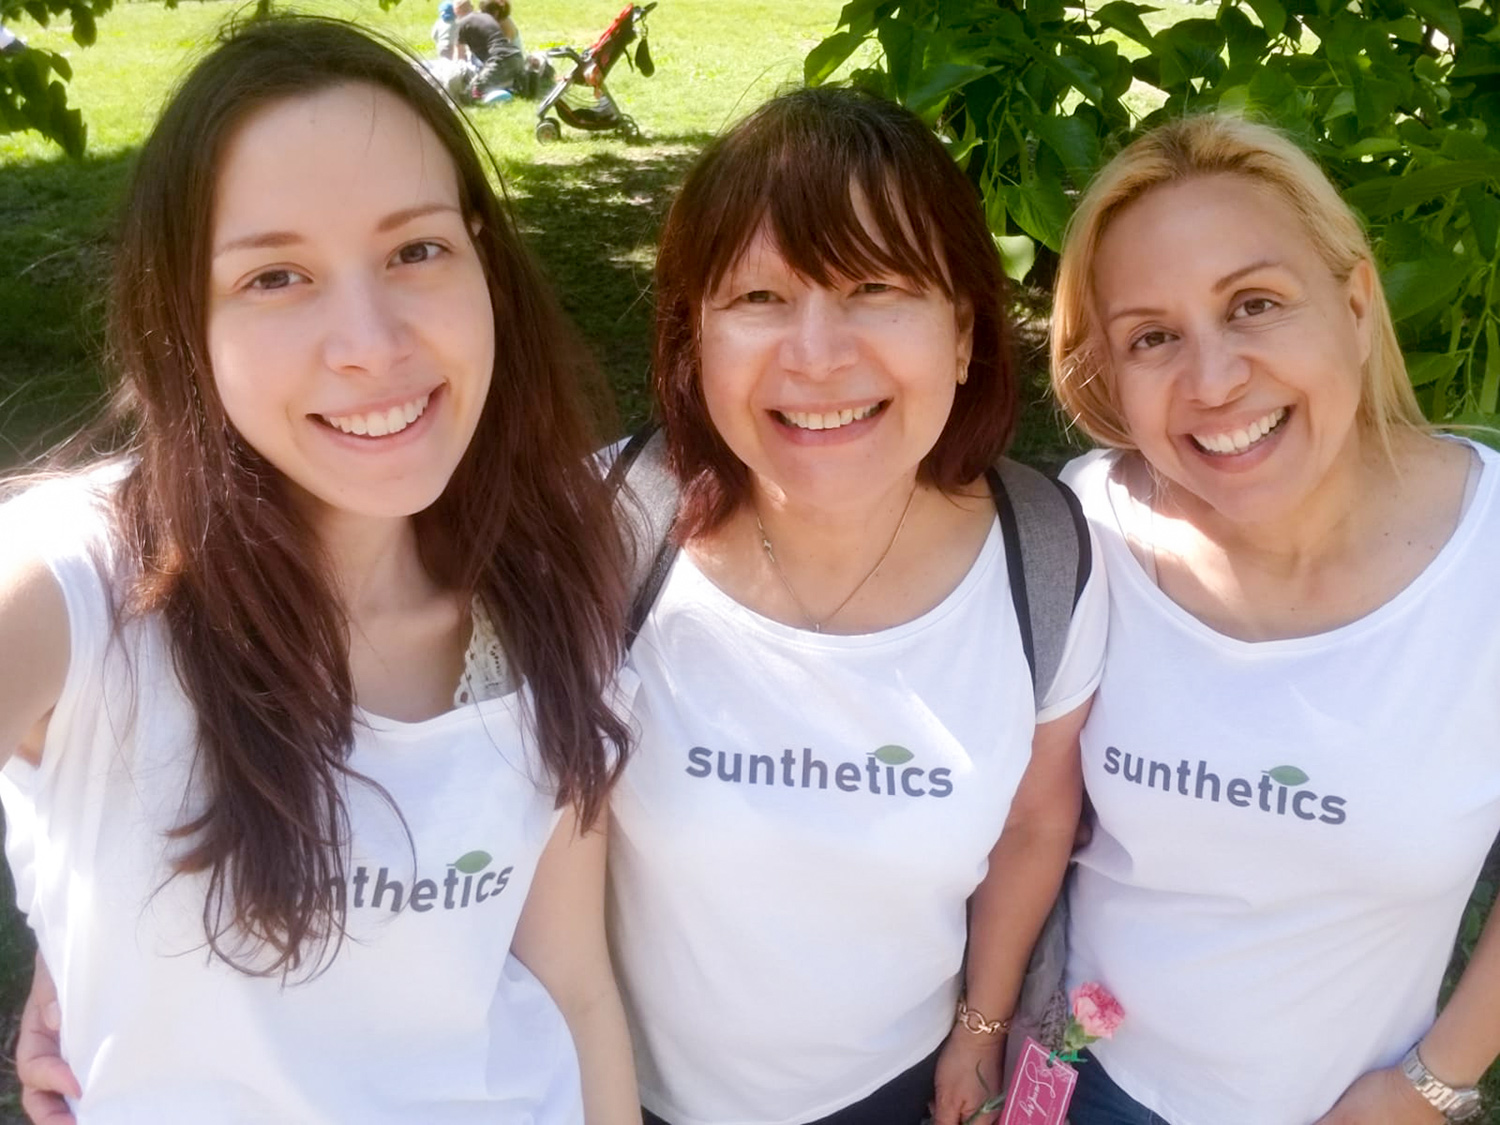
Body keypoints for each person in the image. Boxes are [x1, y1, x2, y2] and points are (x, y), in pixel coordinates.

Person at [0, 15, 640, 1124]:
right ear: (182, 324)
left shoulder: (550, 585)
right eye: (277, 276)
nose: (372, 340)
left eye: (416, 250)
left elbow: (572, 988)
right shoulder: (82, 588)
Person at [607, 86, 1108, 1125]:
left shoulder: (1048, 557)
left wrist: (982, 1027)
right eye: (758, 299)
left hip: (894, 1093)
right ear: (694, 337)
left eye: (877, 287)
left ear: (964, 334)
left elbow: (1034, 816)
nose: (819, 355)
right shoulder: (599, 532)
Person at [1050, 114, 1500, 1125]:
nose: (1213, 383)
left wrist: (1435, 1082)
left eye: (1255, 304)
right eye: (1152, 337)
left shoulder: (1490, 557)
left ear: (1353, 302)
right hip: (1089, 1084)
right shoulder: (1087, 533)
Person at [455, 0, 523, 99]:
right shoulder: (487, 18)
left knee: (471, 92)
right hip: (516, 57)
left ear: (456, 11)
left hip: (500, 60)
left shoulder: (463, 24)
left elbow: (459, 57)